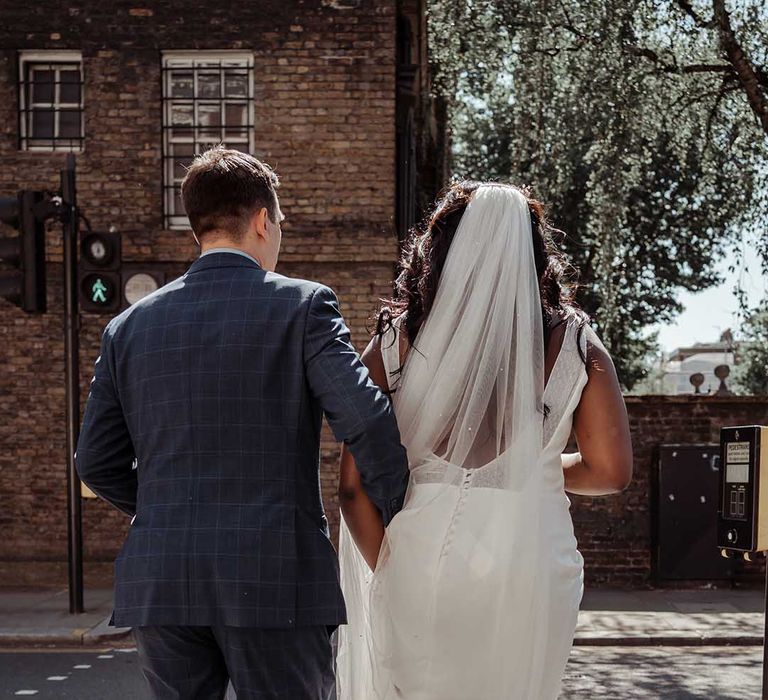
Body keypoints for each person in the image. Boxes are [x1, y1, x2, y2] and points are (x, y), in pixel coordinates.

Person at [75, 146, 409, 700]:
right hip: (274, 572)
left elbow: (95, 461)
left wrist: (165, 508)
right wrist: (399, 514)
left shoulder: (128, 327)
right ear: (261, 220)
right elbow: (366, 421)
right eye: (279, 222)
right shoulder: (304, 306)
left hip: (163, 580)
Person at [336, 181, 633, 699]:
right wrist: (529, 470)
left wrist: (389, 565)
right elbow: (610, 471)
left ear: (442, 249)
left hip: (421, 555)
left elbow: (351, 490)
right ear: (535, 254)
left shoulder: (396, 342)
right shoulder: (576, 344)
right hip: (531, 561)